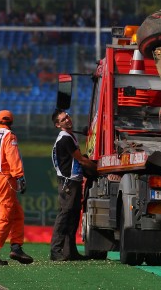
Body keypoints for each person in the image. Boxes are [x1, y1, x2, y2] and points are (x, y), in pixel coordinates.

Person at [0, 110, 34, 266]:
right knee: (4, 217)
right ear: (11, 122)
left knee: (17, 214)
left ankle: (16, 246)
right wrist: (20, 176)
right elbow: (13, 156)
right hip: (5, 179)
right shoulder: (9, 136)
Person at [50, 109, 96, 261]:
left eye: (67, 116)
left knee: (74, 215)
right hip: (68, 181)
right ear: (58, 125)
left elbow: (79, 159)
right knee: (65, 214)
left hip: (73, 180)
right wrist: (98, 168)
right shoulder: (65, 139)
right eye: (63, 120)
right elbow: (81, 160)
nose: (68, 120)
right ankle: (56, 251)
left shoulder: (70, 136)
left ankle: (70, 252)